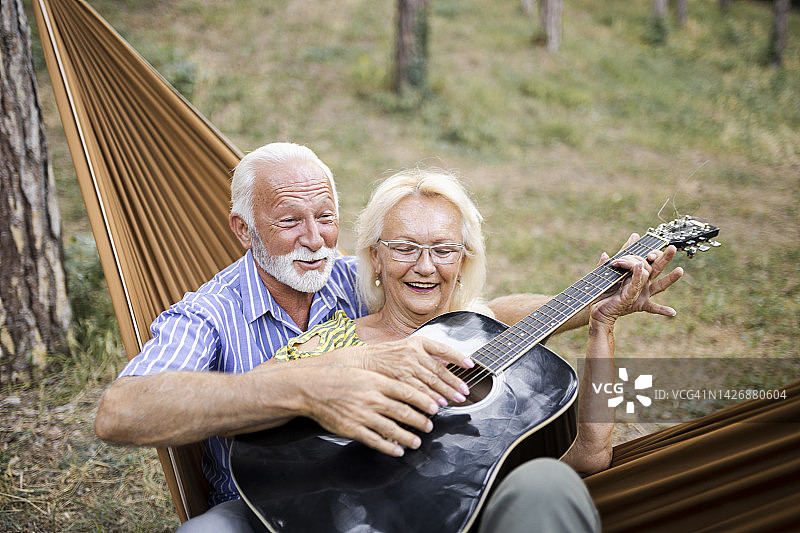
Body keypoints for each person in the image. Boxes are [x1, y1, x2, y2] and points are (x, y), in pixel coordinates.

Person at [93, 143, 683, 532]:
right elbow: (122, 411)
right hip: (290, 504)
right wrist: (313, 389)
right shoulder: (236, 320)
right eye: (289, 221)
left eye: (325, 217)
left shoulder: (370, 285)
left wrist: (594, 310)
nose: (314, 240)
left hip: (442, 505)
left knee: (547, 483)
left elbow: (492, 314)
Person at [265, 168, 670, 532]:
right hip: (358, 517)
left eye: (443, 250)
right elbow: (257, 392)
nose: (425, 267)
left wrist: (602, 325)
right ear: (374, 257)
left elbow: (591, 454)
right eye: (405, 248)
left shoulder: (488, 334)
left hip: (482, 519)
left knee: (550, 483)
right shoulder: (333, 341)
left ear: (462, 262)